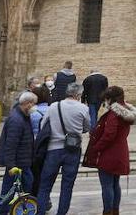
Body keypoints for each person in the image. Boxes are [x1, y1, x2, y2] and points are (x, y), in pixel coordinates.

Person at [37, 83, 92, 215]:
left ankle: (40, 211)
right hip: (73, 150)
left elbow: (43, 125)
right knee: (67, 185)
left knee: (45, 184)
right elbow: (86, 127)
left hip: (53, 149)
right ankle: (61, 212)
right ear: (78, 95)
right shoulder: (83, 108)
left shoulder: (54, 106)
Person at [83, 85, 136, 215]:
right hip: (120, 152)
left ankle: (107, 212)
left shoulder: (113, 114)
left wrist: (96, 148)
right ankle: (115, 211)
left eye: (106, 99)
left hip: (109, 154)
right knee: (115, 184)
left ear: (110, 99)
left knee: (107, 185)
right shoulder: (125, 112)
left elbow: (109, 135)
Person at [0, 91, 37, 196]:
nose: (34, 106)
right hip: (17, 164)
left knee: (17, 188)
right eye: (34, 103)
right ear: (28, 103)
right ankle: (4, 210)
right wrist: (11, 165)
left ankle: (18, 208)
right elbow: (11, 144)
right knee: (9, 190)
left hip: (22, 162)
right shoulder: (17, 120)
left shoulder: (23, 117)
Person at [28, 85, 52, 192]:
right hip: (50, 146)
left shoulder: (32, 112)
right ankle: (45, 198)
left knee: (34, 174)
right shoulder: (54, 110)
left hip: (34, 147)